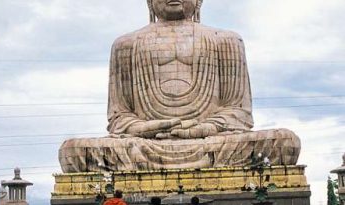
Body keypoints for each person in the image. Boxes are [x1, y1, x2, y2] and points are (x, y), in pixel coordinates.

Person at [59, 0, 301, 173]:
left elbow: (238, 112)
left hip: (210, 141)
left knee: (285, 142)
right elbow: (119, 117)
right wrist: (149, 127)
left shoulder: (226, 40)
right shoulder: (126, 44)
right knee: (73, 150)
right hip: (146, 144)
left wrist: (198, 130)